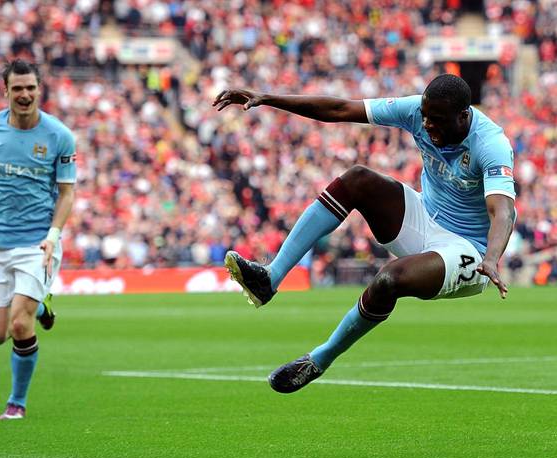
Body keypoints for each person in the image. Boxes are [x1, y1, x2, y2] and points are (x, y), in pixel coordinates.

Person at [213, 74, 516, 393]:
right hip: (424, 218)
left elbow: (502, 210)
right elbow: (341, 109)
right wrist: (268, 97)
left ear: (463, 116)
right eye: (425, 117)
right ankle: (270, 278)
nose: (427, 125)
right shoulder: (416, 110)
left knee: (388, 280)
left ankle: (319, 359)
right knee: (357, 179)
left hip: (471, 251)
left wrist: (493, 258)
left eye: (437, 120)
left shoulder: (491, 144)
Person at [0, 59, 76, 418]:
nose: (25, 94)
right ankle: (43, 305)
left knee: (19, 324)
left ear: (39, 90)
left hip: (37, 245)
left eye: (31, 88)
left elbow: (67, 192)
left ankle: (17, 402)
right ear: (5, 91)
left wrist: (54, 235)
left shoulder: (59, 135)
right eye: (18, 88)